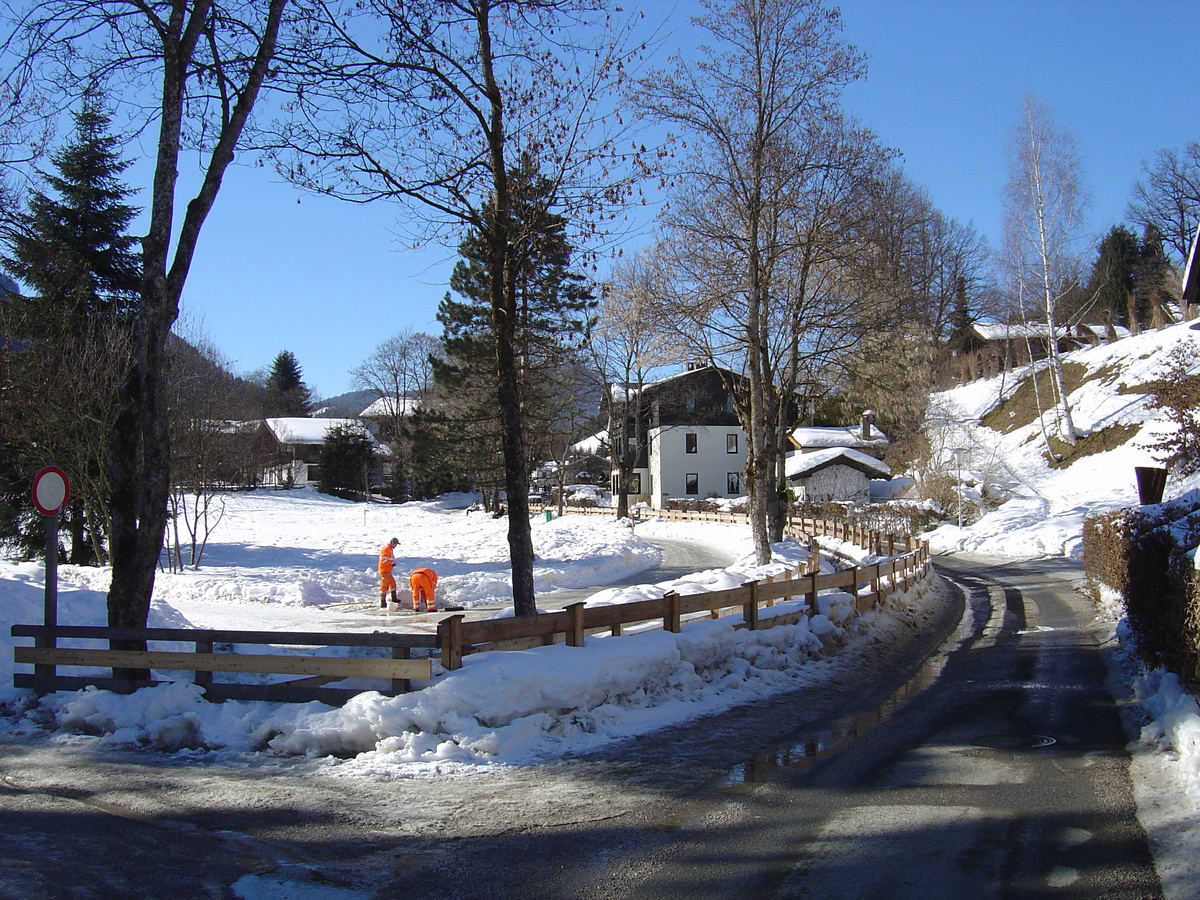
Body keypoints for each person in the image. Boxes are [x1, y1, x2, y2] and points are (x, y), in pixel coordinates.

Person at [378, 537, 399, 608]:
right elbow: (383, 560)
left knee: (393, 584)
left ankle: (394, 598)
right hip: (384, 570)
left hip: (388, 570)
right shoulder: (387, 549)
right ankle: (383, 602)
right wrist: (390, 563)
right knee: (385, 586)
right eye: (396, 544)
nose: (396, 546)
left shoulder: (389, 549)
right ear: (393, 543)